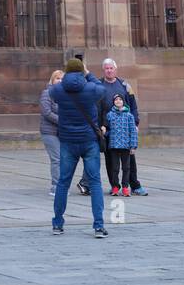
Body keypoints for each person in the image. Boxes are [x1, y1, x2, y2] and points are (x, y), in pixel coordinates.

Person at [49, 58, 108, 237]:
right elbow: (102, 89)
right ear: (82, 70)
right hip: (89, 140)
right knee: (95, 182)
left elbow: (52, 94)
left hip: (67, 141)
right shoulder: (90, 88)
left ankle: (58, 223)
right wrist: (88, 73)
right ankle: (98, 226)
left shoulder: (58, 89)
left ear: (66, 71)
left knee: (63, 183)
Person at [77, 57, 149, 196]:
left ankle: (134, 185)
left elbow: (133, 105)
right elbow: (94, 107)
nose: (109, 71)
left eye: (111, 68)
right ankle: (114, 186)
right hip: (108, 130)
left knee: (129, 161)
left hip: (125, 129)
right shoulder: (98, 85)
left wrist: (135, 123)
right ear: (103, 70)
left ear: (115, 70)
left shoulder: (125, 85)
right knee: (111, 160)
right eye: (106, 68)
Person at [104, 94, 138, 196]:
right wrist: (107, 133)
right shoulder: (110, 115)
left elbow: (133, 131)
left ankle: (125, 187)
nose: (118, 101)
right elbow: (107, 128)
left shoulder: (129, 116)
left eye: (120, 99)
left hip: (126, 146)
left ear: (123, 102)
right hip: (114, 145)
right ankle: (115, 186)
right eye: (116, 100)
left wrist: (133, 146)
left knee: (126, 167)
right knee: (114, 168)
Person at [39, 69, 64, 196]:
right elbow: (47, 112)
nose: (60, 81)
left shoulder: (65, 95)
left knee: (63, 159)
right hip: (49, 131)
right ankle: (56, 187)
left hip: (62, 132)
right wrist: (63, 121)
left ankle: (62, 185)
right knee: (57, 158)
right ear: (52, 80)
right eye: (57, 78)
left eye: (62, 79)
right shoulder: (47, 93)